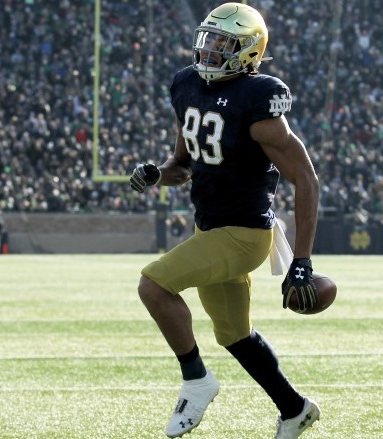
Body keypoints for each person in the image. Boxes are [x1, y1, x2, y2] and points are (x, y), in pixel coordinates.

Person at [128, 4, 321, 438]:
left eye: (222, 42)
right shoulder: (186, 84)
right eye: (208, 38)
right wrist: (159, 174)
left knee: (153, 285)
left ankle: (196, 381)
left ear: (248, 51)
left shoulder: (258, 99)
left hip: (245, 234)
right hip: (210, 227)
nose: (210, 48)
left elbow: (305, 178)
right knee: (234, 334)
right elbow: (183, 164)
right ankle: (295, 409)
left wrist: (303, 259)